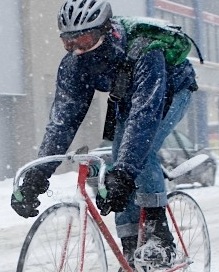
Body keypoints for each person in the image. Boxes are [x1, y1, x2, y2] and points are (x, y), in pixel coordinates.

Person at [11, 0, 199, 270]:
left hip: (170, 87)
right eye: (68, 42)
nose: (78, 50)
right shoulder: (74, 66)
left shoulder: (144, 51)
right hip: (127, 94)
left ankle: (159, 236)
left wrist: (124, 173)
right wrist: (37, 177)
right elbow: (61, 124)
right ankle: (133, 249)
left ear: (107, 31)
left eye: (85, 40)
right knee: (115, 166)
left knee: (137, 156)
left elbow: (144, 117)